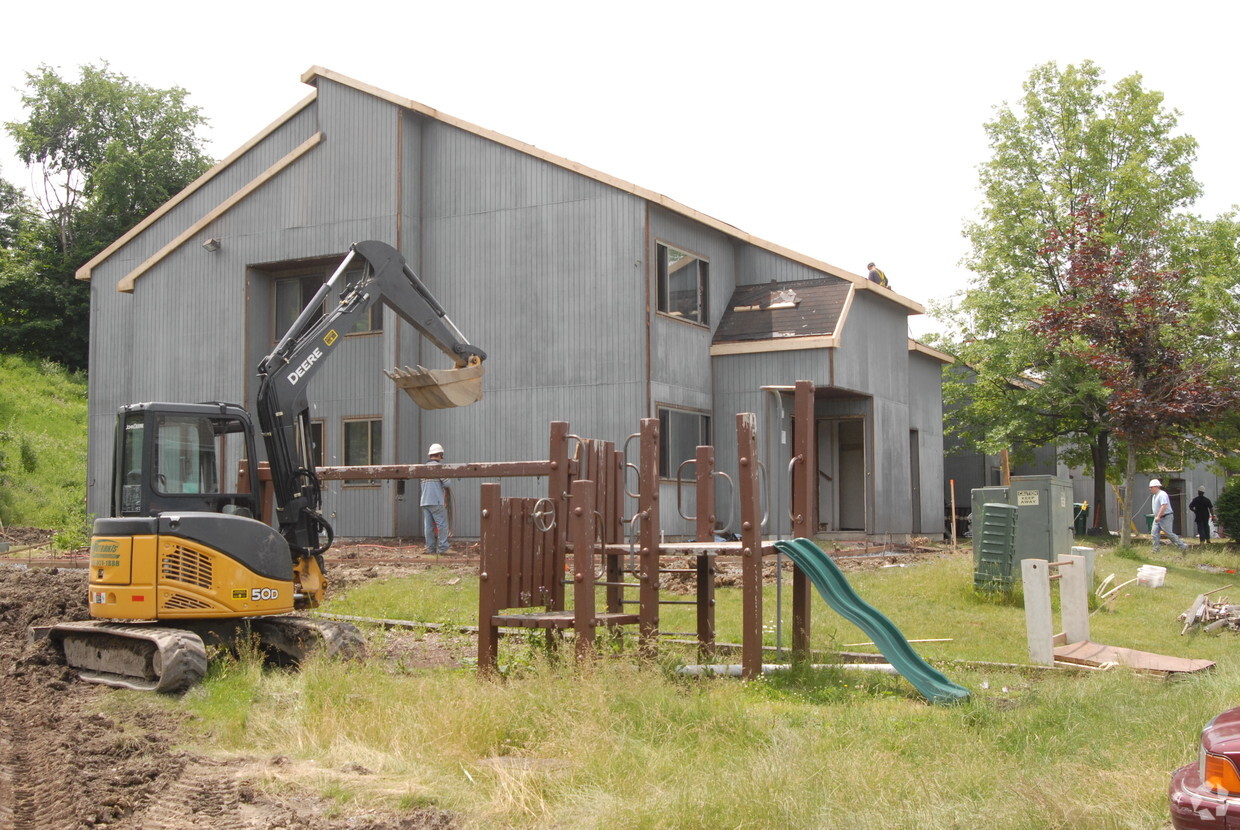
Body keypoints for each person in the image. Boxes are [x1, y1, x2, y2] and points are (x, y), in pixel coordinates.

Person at [421, 443, 451, 554]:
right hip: (436, 501)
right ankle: (443, 548)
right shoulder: (439, 468)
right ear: (439, 454)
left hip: (425, 501)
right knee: (442, 524)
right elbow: (447, 483)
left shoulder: (423, 468)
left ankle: (430, 548)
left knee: (428, 527)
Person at [1149, 478, 1188, 553]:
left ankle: (1182, 546)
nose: (1150, 489)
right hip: (1158, 517)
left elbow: (1164, 506)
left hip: (1165, 516)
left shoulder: (1162, 494)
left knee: (1168, 533)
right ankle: (1156, 550)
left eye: (1151, 487)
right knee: (1154, 533)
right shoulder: (1155, 496)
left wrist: (1158, 516)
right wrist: (1157, 516)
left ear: (1156, 487)